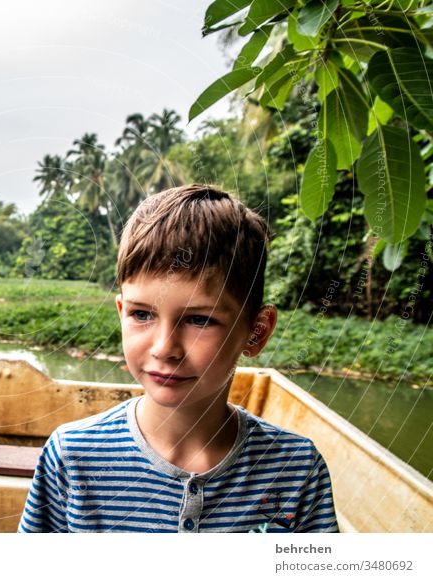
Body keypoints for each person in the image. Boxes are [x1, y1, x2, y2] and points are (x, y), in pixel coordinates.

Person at [18, 184, 338, 533]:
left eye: (200, 320)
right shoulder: (72, 457)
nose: (164, 348)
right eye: (142, 315)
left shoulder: (295, 470)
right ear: (122, 312)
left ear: (256, 331)